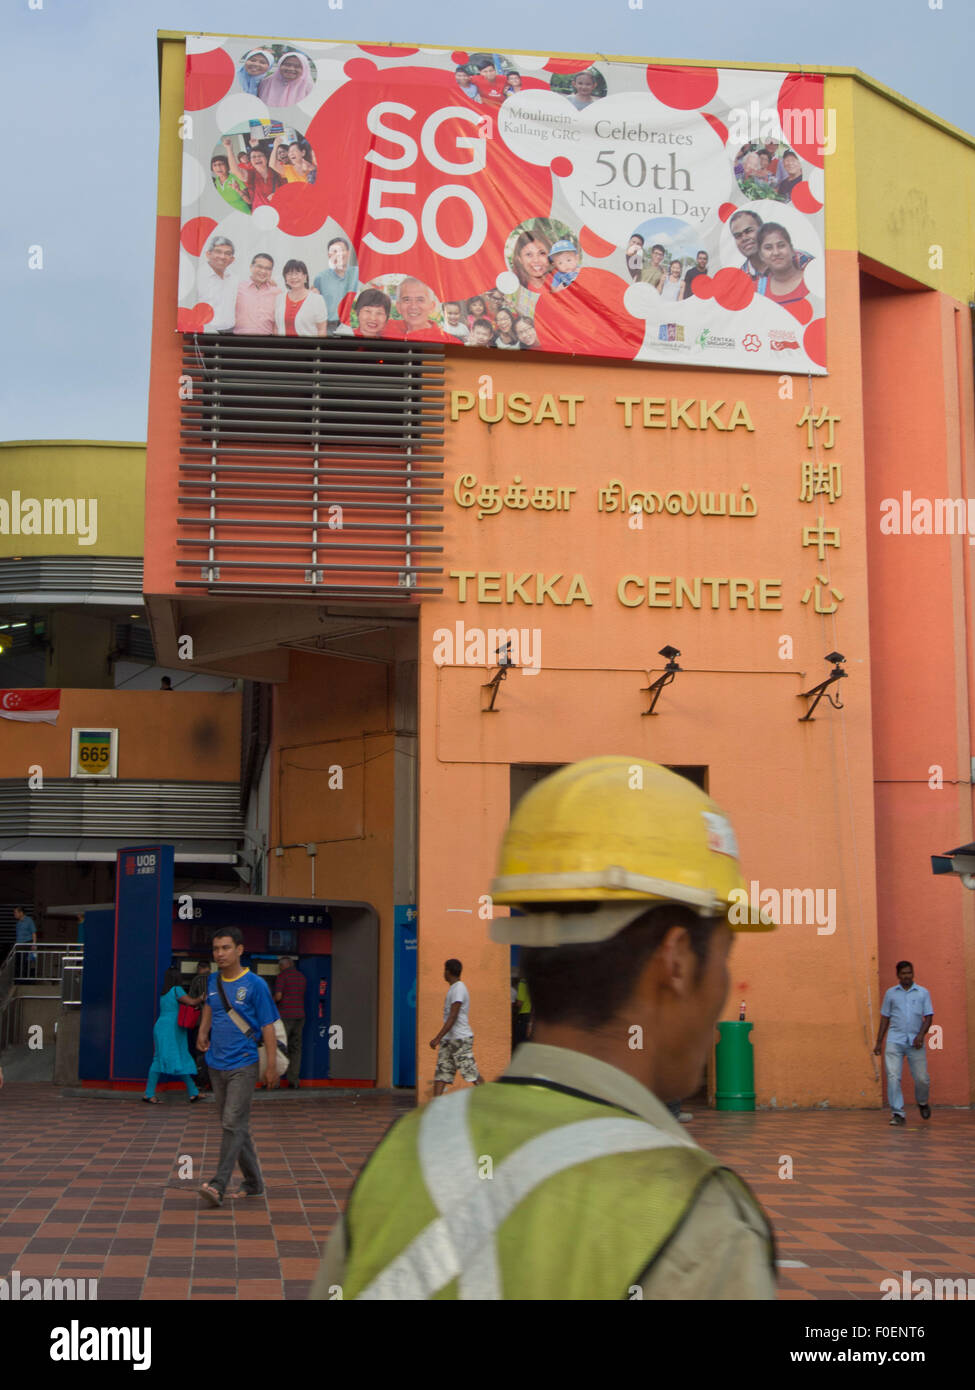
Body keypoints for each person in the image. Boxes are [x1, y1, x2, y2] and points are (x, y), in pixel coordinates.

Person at [311, 758, 777, 1300]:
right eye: (724, 955)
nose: (724, 986)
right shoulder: (702, 1223)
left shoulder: (405, 1153)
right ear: (675, 960)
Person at [197, 927, 280, 1206]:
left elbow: (268, 1026)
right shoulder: (212, 981)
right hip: (215, 1063)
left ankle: (218, 1184)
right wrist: (202, 1031)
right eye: (216, 949)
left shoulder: (256, 984)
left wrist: (270, 1067)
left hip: (244, 1063)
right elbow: (210, 1006)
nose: (219, 954)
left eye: (225, 948)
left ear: (240, 950)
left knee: (232, 1122)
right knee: (235, 1125)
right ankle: (254, 1182)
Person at [875, 962, 933, 1125]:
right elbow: (885, 1018)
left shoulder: (923, 993)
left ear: (913, 973)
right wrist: (879, 1042)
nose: (906, 976)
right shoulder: (891, 994)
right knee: (893, 1076)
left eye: (909, 973)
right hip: (895, 1040)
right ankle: (898, 1113)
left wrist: (921, 1035)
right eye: (903, 973)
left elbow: (928, 1016)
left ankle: (922, 1102)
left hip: (916, 1042)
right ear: (898, 975)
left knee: (922, 1078)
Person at [143, 966, 202, 1104]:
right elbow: (192, 1002)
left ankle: (149, 1093)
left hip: (161, 1026)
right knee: (179, 1057)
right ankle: (193, 1092)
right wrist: (203, 996)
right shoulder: (177, 990)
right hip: (173, 1028)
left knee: (159, 1058)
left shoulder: (164, 992)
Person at [430, 959, 483, 1097]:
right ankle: (435, 1106)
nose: (443, 973)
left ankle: (488, 1101)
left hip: (460, 1039)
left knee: (470, 1072)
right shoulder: (453, 988)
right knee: (442, 1072)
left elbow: (453, 1016)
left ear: (448, 971)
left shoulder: (459, 988)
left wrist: (437, 1038)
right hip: (449, 1039)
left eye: (444, 970)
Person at [756, 223, 810, 307]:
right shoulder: (757, 291)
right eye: (768, 248)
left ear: (792, 250)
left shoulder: (813, 281)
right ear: (761, 255)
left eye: (781, 246)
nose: (776, 252)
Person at [274, 955, 306, 1089]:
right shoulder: (301, 977)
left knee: (279, 1047)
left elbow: (278, 996)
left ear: (282, 965)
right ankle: (294, 1080)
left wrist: (268, 1003)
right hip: (300, 1016)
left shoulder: (282, 977)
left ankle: (275, 1080)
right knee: (296, 1048)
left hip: (285, 1015)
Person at [313, 238, 358, 332]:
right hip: (330, 329)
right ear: (329, 255)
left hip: (354, 328)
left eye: (342, 250)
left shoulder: (359, 274)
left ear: (348, 253)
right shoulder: (320, 278)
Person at [273, 260, 328, 336]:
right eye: (289, 274)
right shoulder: (279, 298)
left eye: (297, 273)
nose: (293, 277)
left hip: (307, 347)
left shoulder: (317, 299)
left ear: (305, 277)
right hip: (283, 346)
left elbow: (321, 329)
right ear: (285, 278)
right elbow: (276, 327)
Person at [198, 236, 239, 333]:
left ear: (232, 259)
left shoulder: (234, 279)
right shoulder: (198, 277)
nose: (222, 256)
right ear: (208, 254)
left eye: (227, 253)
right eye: (218, 252)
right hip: (205, 334)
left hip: (230, 333)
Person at [234, 253, 279, 335]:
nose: (263, 271)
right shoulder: (237, 288)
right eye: (259, 267)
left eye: (268, 268)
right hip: (239, 341)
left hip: (267, 342)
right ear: (251, 267)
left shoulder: (277, 292)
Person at [186, 958, 212, 1088]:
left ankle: (201, 1080)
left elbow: (190, 999)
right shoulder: (217, 979)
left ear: (199, 969)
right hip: (216, 1022)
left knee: (200, 1051)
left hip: (200, 1021)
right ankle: (213, 1081)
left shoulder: (197, 980)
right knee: (214, 1051)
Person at [13, 906, 36, 979]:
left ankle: (24, 979)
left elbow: (33, 933)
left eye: (16, 912)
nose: (14, 914)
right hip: (19, 944)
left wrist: (34, 944)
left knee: (25, 963)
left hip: (26, 944)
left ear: (21, 913)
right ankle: (18, 978)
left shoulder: (29, 920)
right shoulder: (18, 923)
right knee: (18, 963)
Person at [513, 974, 533, 1046]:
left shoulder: (522, 983)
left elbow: (519, 1003)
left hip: (523, 1014)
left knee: (518, 1042)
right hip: (531, 1015)